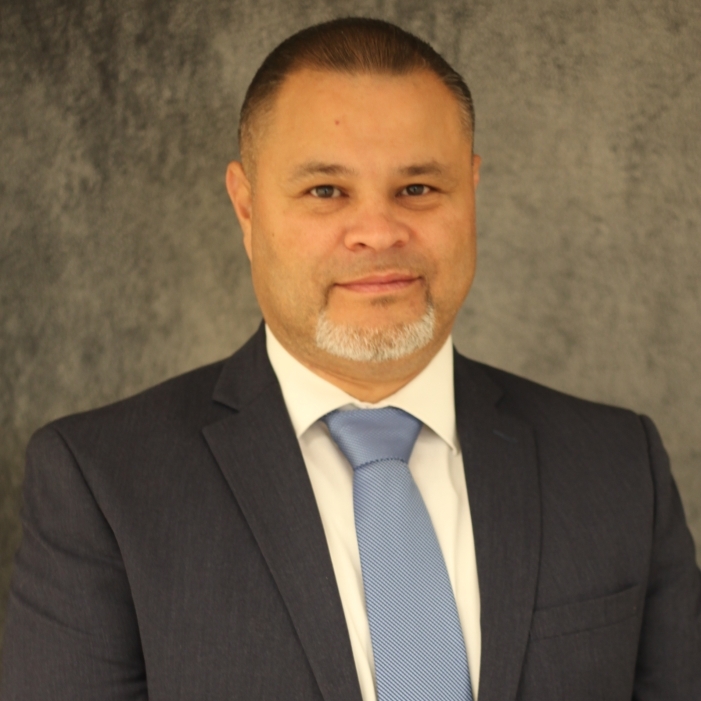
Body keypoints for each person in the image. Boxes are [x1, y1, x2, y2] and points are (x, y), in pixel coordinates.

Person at [1, 16, 699, 701]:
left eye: (418, 188)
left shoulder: (618, 465)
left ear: (471, 190)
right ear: (246, 208)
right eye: (325, 191)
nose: (378, 231)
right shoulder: (103, 483)